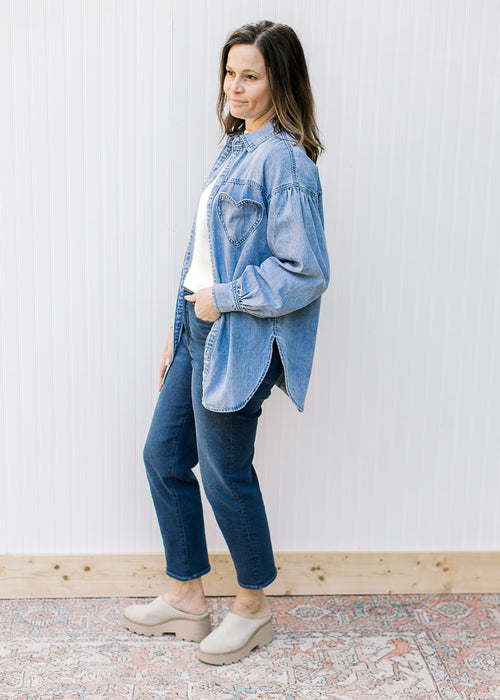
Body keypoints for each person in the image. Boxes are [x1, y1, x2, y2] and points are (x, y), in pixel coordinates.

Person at [123, 20, 330, 665]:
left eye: (251, 76)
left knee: (224, 475)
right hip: (198, 328)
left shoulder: (286, 161)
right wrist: (176, 326)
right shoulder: (235, 147)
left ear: (279, 82)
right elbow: (205, 254)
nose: (234, 88)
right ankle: (187, 595)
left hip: (239, 337)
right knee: (163, 456)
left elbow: (308, 270)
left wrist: (225, 300)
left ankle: (252, 606)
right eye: (230, 73)